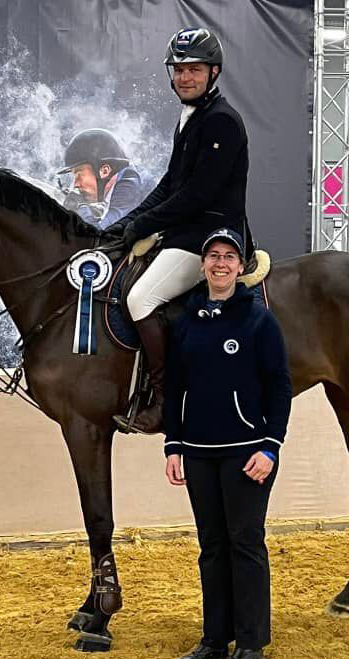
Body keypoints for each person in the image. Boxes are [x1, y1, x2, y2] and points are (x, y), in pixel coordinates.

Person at [107, 27, 252, 434]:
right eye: (179, 70)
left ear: (214, 72)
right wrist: (124, 225)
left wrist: (143, 224)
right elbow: (170, 185)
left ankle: (166, 402)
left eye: (194, 69)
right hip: (183, 232)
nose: (184, 77)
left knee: (140, 298)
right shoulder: (191, 118)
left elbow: (196, 196)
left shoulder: (222, 122)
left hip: (209, 237)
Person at [164, 228, 292, 659]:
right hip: (197, 454)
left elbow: (280, 386)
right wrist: (173, 445)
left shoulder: (258, 319)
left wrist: (270, 447)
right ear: (203, 265)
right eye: (213, 256)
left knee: (245, 544)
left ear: (241, 268)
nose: (220, 264)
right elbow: (175, 387)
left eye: (229, 257)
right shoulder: (186, 320)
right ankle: (214, 639)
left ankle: (251, 642)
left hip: (246, 455)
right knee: (211, 547)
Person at [57, 128, 145, 229]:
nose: (76, 184)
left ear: (105, 171)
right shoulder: (115, 181)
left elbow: (99, 234)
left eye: (79, 175)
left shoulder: (129, 187)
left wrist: (80, 206)